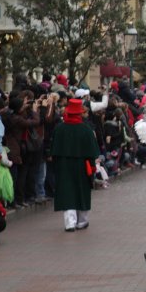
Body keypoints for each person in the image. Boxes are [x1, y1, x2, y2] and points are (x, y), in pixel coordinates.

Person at [49, 99, 99, 232]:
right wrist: (93, 167)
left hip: (64, 165)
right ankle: (82, 221)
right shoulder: (86, 129)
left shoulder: (59, 129)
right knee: (82, 191)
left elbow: (53, 150)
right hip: (82, 165)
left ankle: (69, 223)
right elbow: (93, 152)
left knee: (67, 192)